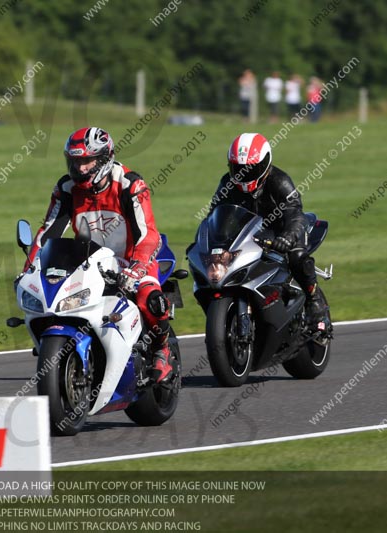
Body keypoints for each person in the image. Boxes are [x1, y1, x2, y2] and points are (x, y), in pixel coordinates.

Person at [25, 127, 173, 383]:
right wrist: (30, 268)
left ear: (105, 158)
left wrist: (135, 269)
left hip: (135, 258)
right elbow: (48, 232)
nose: (80, 168)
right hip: (89, 262)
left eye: (86, 160)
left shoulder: (130, 185)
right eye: (75, 161)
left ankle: (162, 349)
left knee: (151, 299)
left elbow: (147, 234)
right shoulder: (67, 189)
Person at [207, 133, 330, 328]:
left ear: (265, 164)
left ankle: (314, 300)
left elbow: (295, 212)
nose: (244, 175)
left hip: (283, 230)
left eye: (250, 169)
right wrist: (210, 240)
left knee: (297, 256)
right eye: (238, 169)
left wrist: (288, 237)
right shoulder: (227, 184)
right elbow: (214, 214)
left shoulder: (279, 181)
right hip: (251, 234)